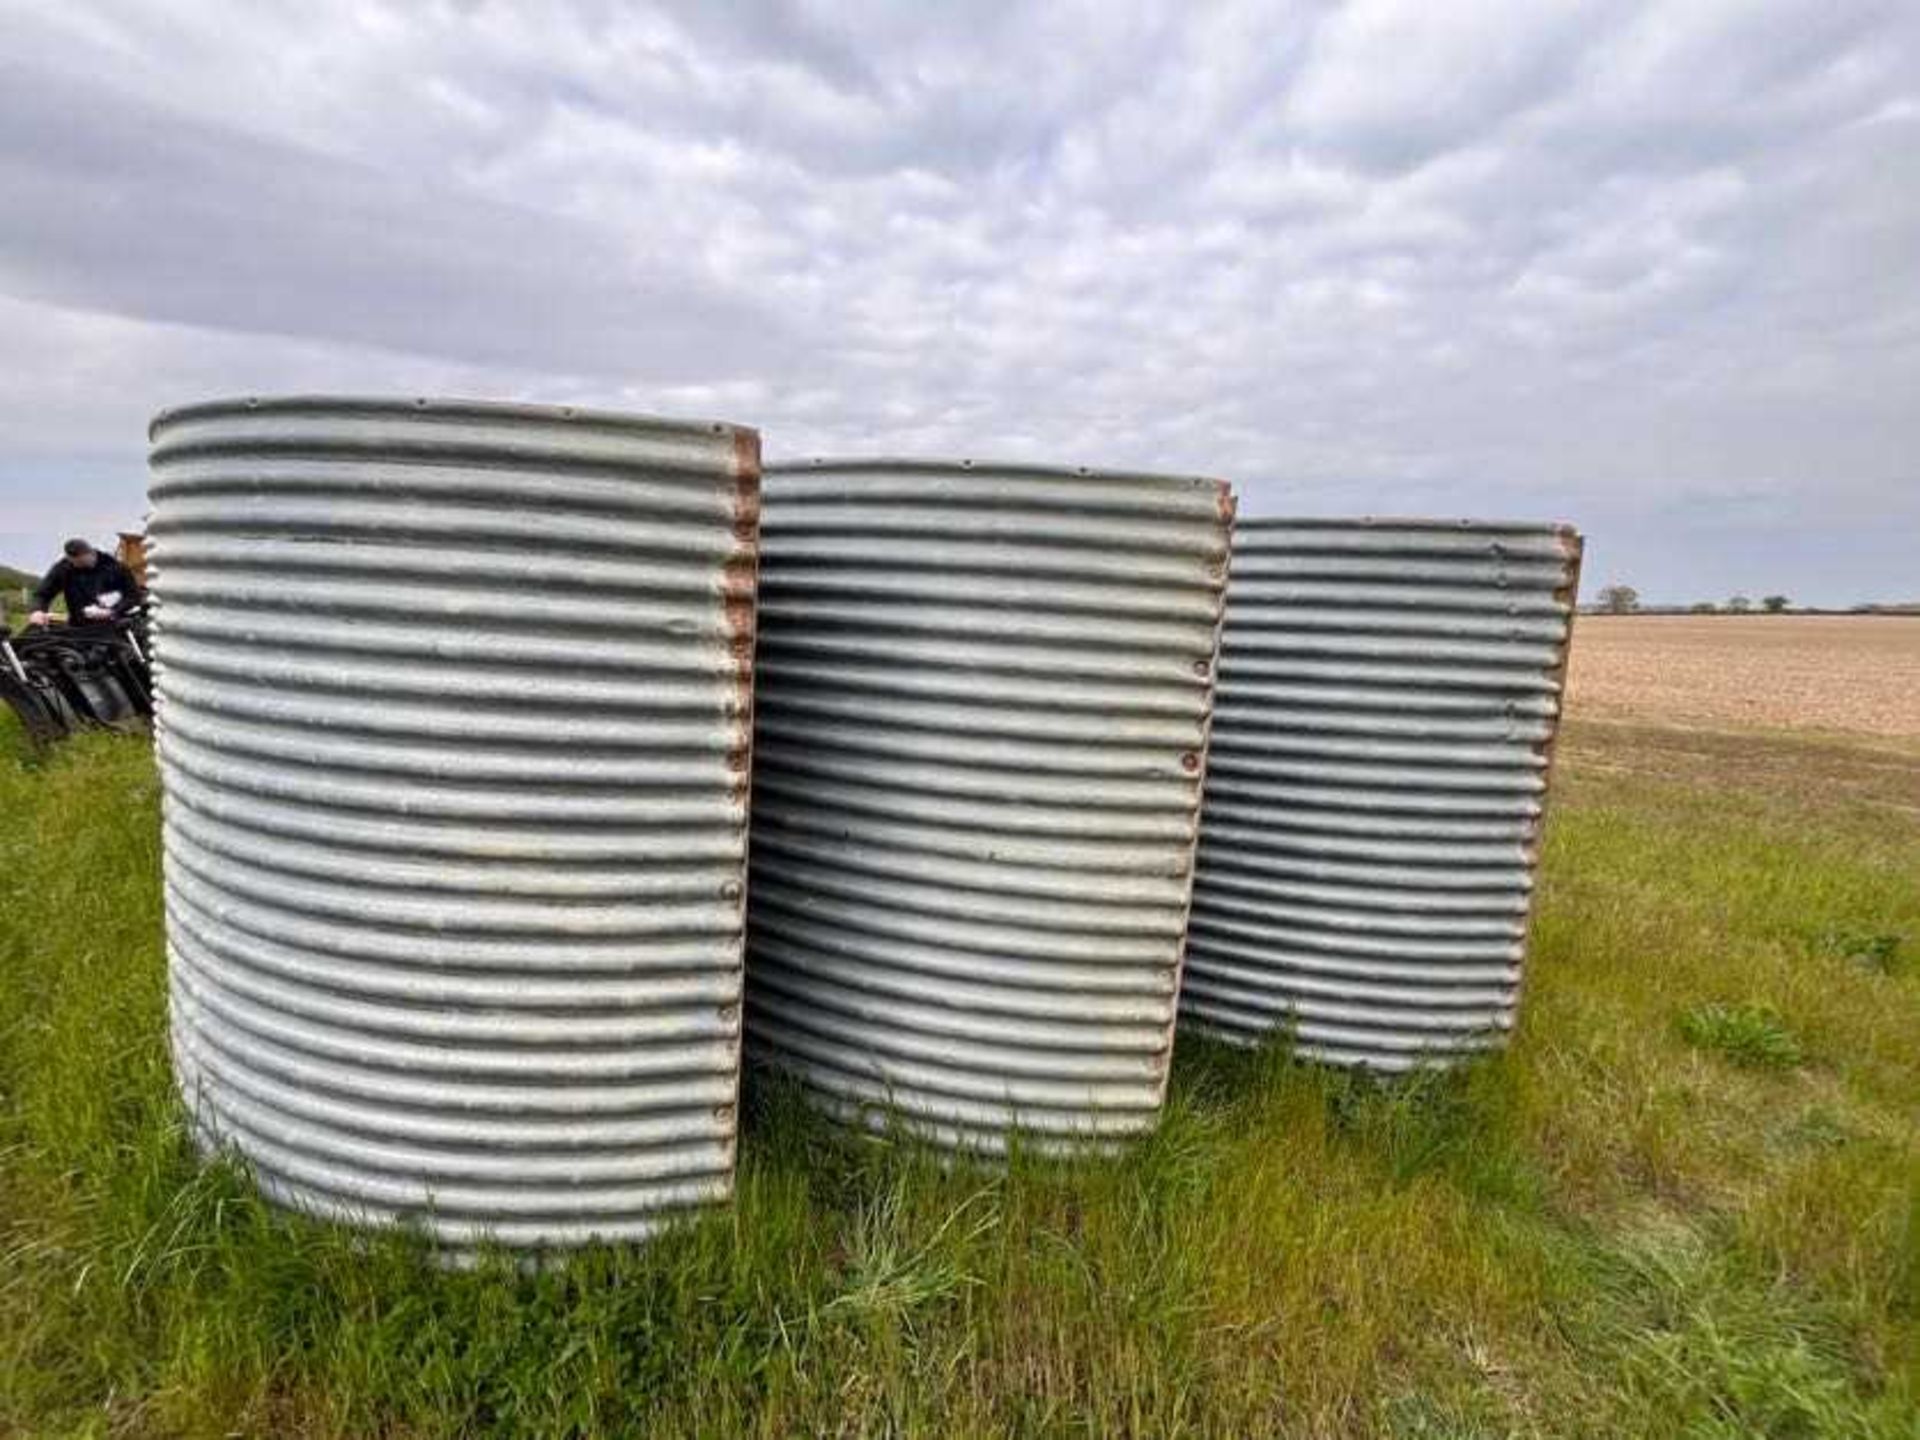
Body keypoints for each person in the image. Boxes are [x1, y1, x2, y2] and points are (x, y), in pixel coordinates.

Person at [28, 537, 146, 627]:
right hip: (78, 627)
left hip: (113, 626)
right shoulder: (63, 568)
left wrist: (111, 612)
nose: (78, 566)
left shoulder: (116, 567)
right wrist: (37, 611)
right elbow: (42, 594)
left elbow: (133, 597)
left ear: (90, 553)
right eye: (75, 564)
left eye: (83, 563)